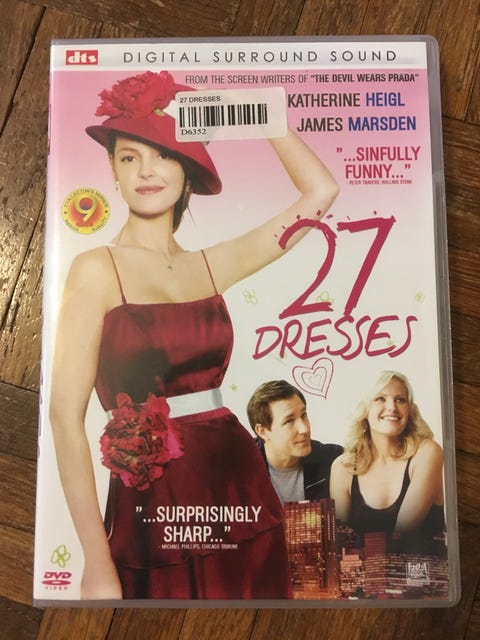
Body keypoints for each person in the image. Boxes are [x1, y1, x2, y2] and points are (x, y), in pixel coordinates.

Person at [49, 70, 339, 600]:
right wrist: (94, 558)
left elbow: (320, 193)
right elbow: (64, 418)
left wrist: (258, 110)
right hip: (152, 507)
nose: (146, 170)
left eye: (163, 154)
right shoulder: (95, 270)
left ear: (187, 171)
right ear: (112, 171)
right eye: (129, 157)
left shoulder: (212, 264)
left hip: (239, 488)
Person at [330, 370, 445, 539]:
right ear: (365, 409)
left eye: (400, 400)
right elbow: (341, 541)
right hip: (364, 558)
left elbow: (403, 535)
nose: (392, 407)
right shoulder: (342, 468)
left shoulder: (427, 453)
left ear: (409, 409)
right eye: (380, 399)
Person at [247, 380, 343, 504]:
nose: (304, 429)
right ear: (262, 431)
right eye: (289, 421)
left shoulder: (334, 460)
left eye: (303, 415)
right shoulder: (241, 471)